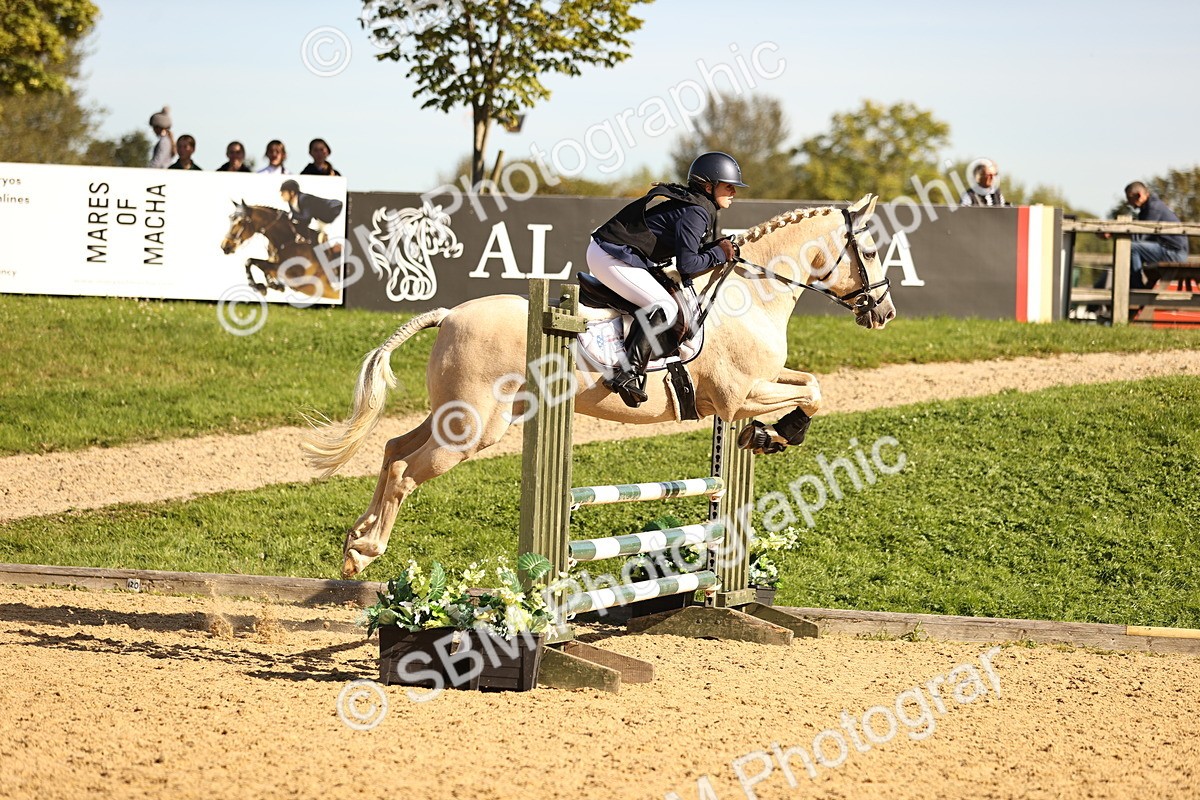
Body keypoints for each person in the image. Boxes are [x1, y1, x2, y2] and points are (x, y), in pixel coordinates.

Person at [587, 151, 744, 408]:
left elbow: (689, 254)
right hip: (610, 255)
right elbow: (687, 265)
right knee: (664, 306)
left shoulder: (698, 206)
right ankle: (627, 373)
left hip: (618, 252)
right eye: (729, 187)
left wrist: (717, 250)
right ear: (709, 186)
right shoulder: (696, 211)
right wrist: (718, 253)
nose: (734, 193)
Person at [1115, 182, 1189, 289]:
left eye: (1129, 198)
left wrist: (1116, 233)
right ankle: (1134, 284)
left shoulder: (1153, 208)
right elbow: (1139, 236)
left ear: (1139, 195)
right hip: (1168, 250)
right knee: (1132, 246)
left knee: (1132, 248)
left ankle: (1136, 287)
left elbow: (1141, 236)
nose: (1128, 202)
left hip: (1175, 253)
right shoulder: (1147, 208)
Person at [280, 179, 344, 245]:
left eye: (283, 193)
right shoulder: (291, 203)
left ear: (292, 192)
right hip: (322, 220)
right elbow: (301, 221)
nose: (281, 195)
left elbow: (307, 218)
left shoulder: (304, 199)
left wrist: (292, 216)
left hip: (335, 211)